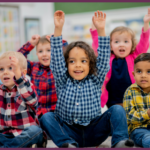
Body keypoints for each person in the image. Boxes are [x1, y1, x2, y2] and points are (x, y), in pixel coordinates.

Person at [39, 10, 134, 148]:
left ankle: (120, 141)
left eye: (83, 61)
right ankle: (66, 143)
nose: (77, 65)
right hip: (69, 132)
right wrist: (58, 29)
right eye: (72, 62)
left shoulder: (96, 78)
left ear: (90, 64)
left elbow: (103, 57)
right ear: (66, 64)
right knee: (47, 117)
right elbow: (56, 60)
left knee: (117, 110)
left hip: (94, 131)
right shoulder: (62, 79)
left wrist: (101, 30)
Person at [90, 8, 150, 108]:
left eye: (126, 41)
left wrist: (146, 23)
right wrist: (95, 27)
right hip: (113, 102)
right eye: (116, 42)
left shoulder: (135, 56)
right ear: (110, 45)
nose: (121, 45)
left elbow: (144, 41)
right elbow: (97, 44)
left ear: (132, 44)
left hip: (133, 101)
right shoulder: (106, 58)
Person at [0, 51, 46, 148]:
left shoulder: (27, 87)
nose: (5, 72)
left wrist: (19, 78)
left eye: (11, 68)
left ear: (23, 73)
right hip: (5, 135)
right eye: (1, 69)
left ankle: (7, 147)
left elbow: (33, 101)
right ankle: (14, 146)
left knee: (36, 131)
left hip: (24, 133)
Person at [17, 35, 68, 119]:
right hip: (37, 114)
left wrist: (58, 40)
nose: (44, 54)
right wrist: (30, 44)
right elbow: (18, 59)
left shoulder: (60, 67)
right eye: (40, 51)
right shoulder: (33, 67)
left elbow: (67, 51)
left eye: (49, 50)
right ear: (36, 53)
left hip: (57, 114)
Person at [123, 53, 150, 148]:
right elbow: (130, 117)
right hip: (138, 129)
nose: (143, 75)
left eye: (148, 72)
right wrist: (147, 114)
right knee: (147, 139)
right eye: (139, 71)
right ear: (134, 74)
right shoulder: (130, 91)